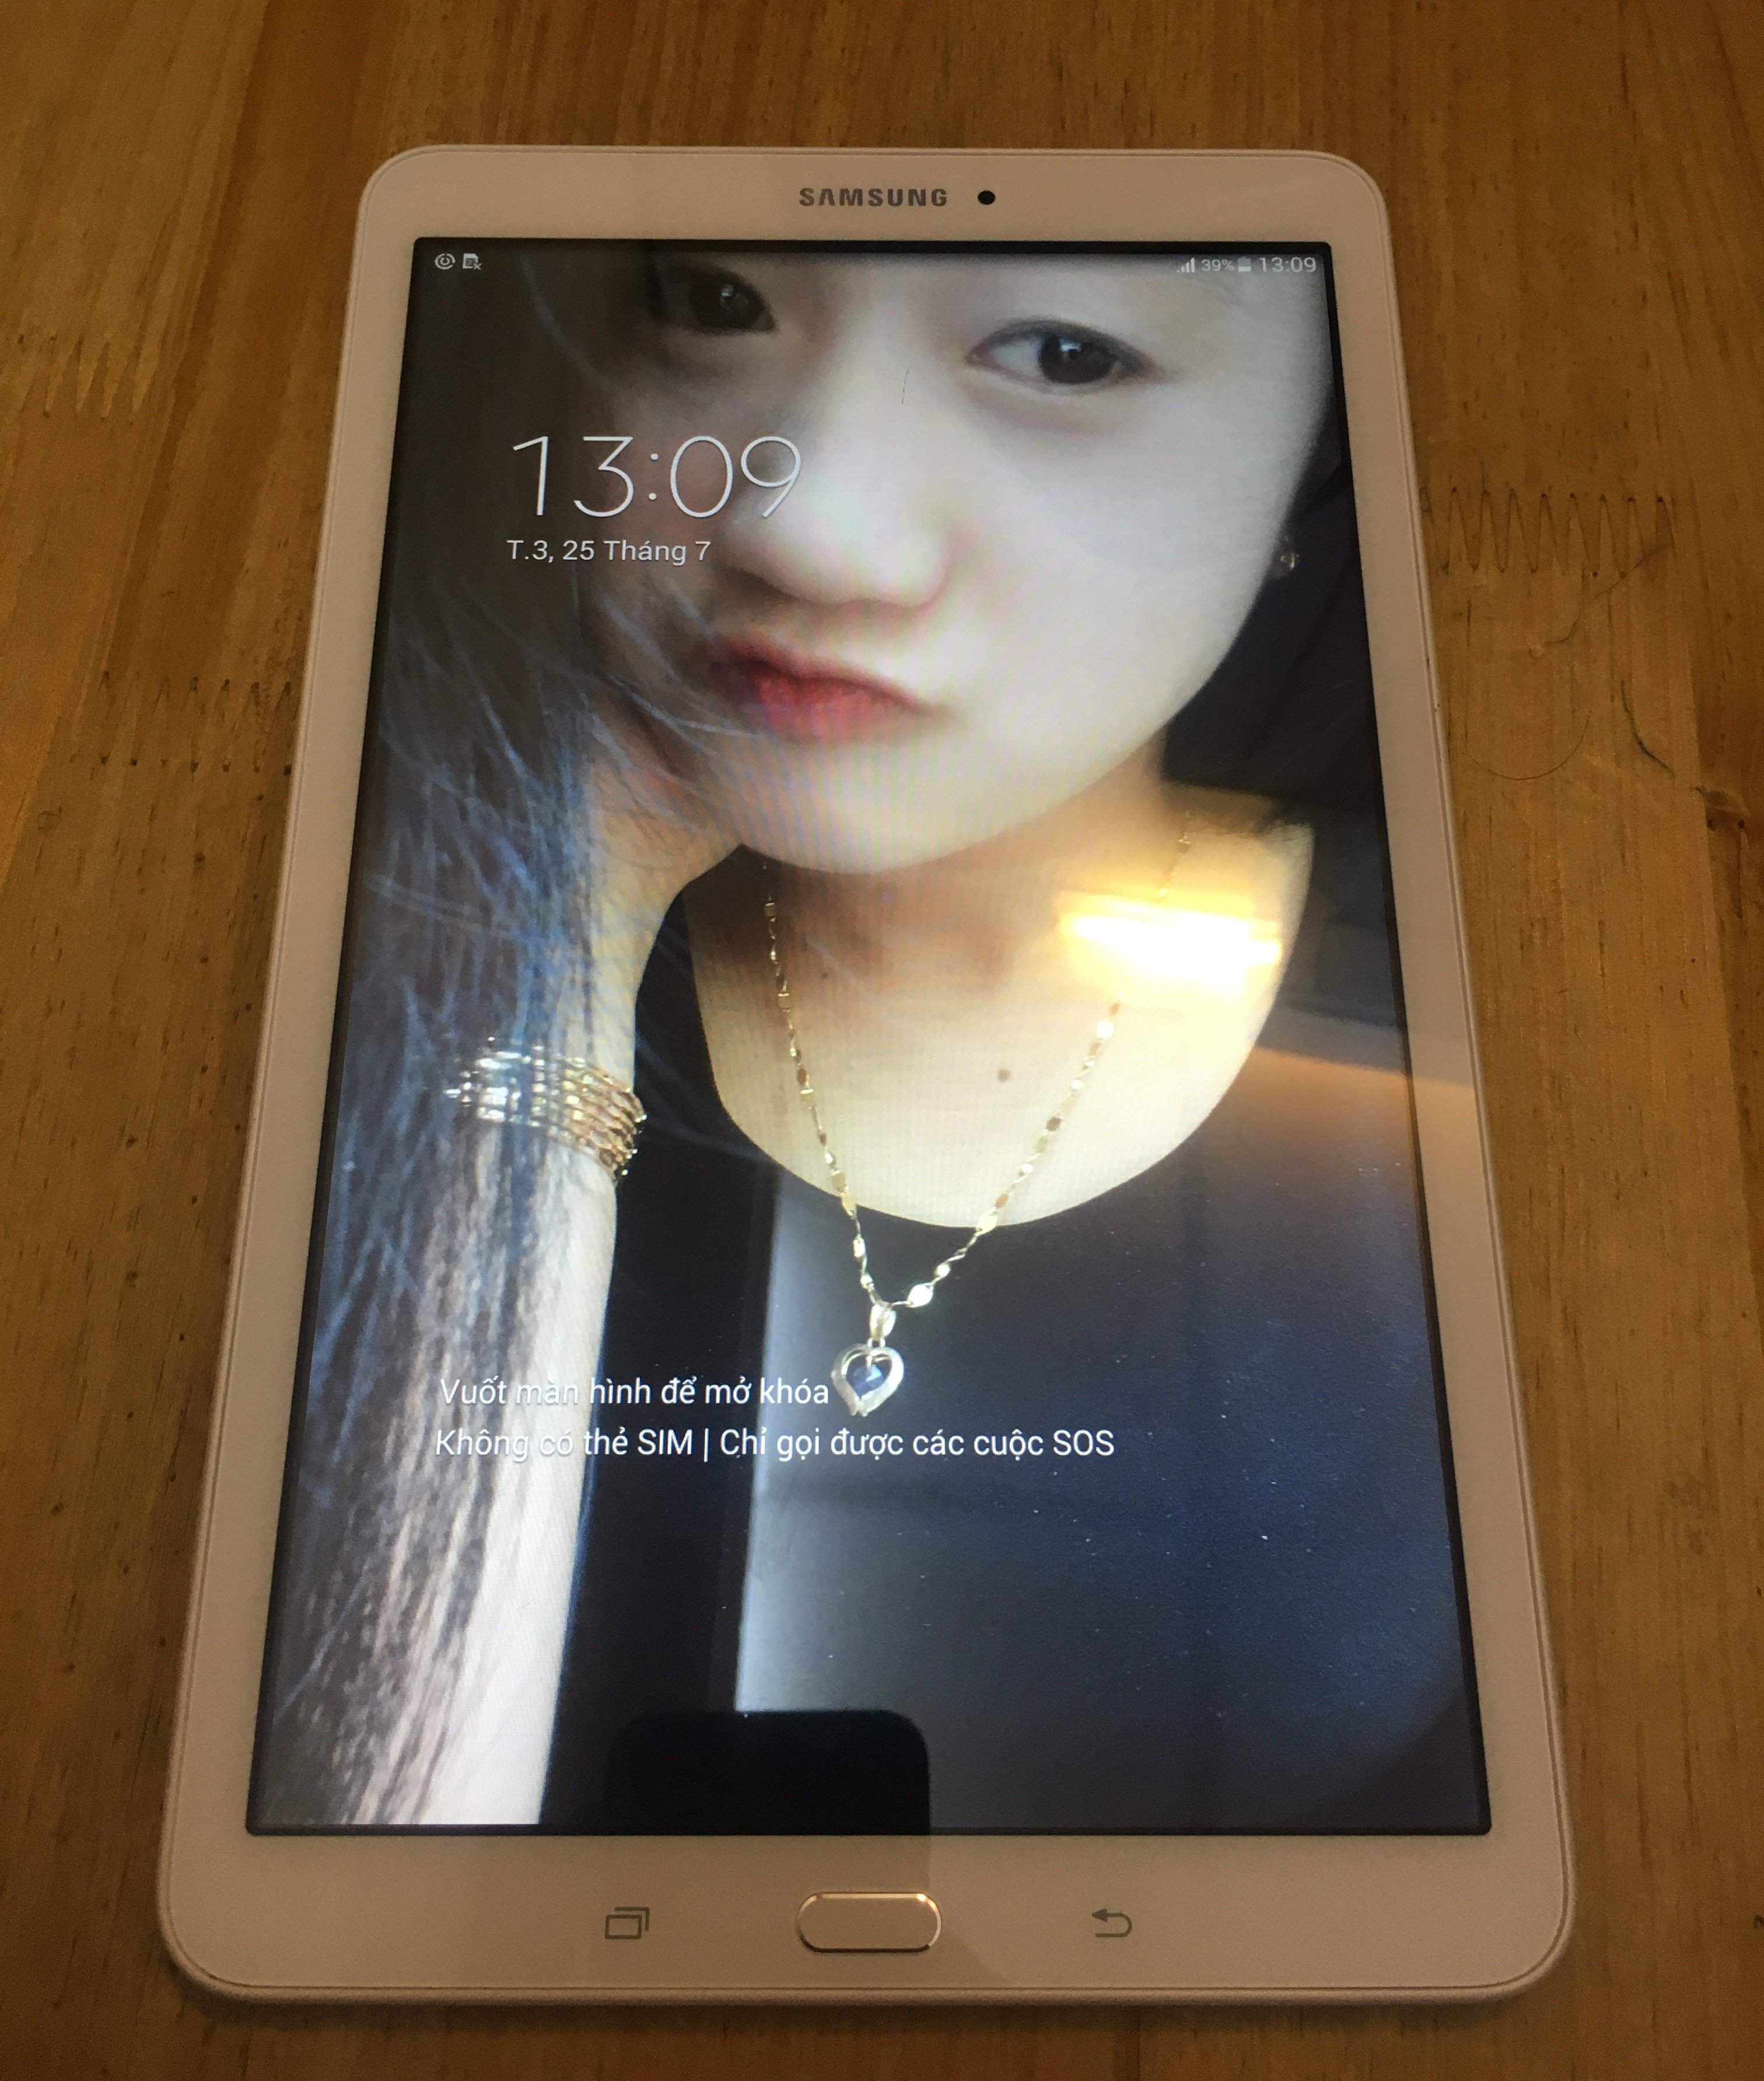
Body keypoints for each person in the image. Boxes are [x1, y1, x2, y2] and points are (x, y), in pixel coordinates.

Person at [252, 246, 1483, 1838]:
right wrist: (564, 913)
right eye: (711, 302)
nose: (803, 524)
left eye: (1064, 352)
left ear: (1315, 457)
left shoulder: (1461, 1011)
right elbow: (374, 1895)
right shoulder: (397, 948)